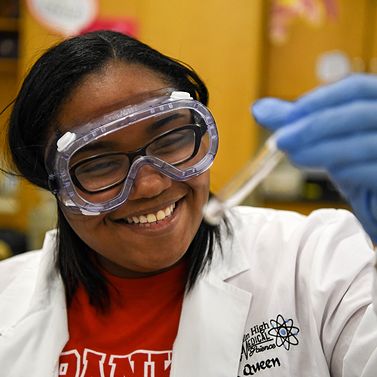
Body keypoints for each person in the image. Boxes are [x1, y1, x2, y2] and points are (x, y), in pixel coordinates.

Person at [0, 30, 376, 377]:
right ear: (56, 186)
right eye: (99, 164)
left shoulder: (316, 263)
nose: (149, 185)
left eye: (172, 138)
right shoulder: (6, 298)